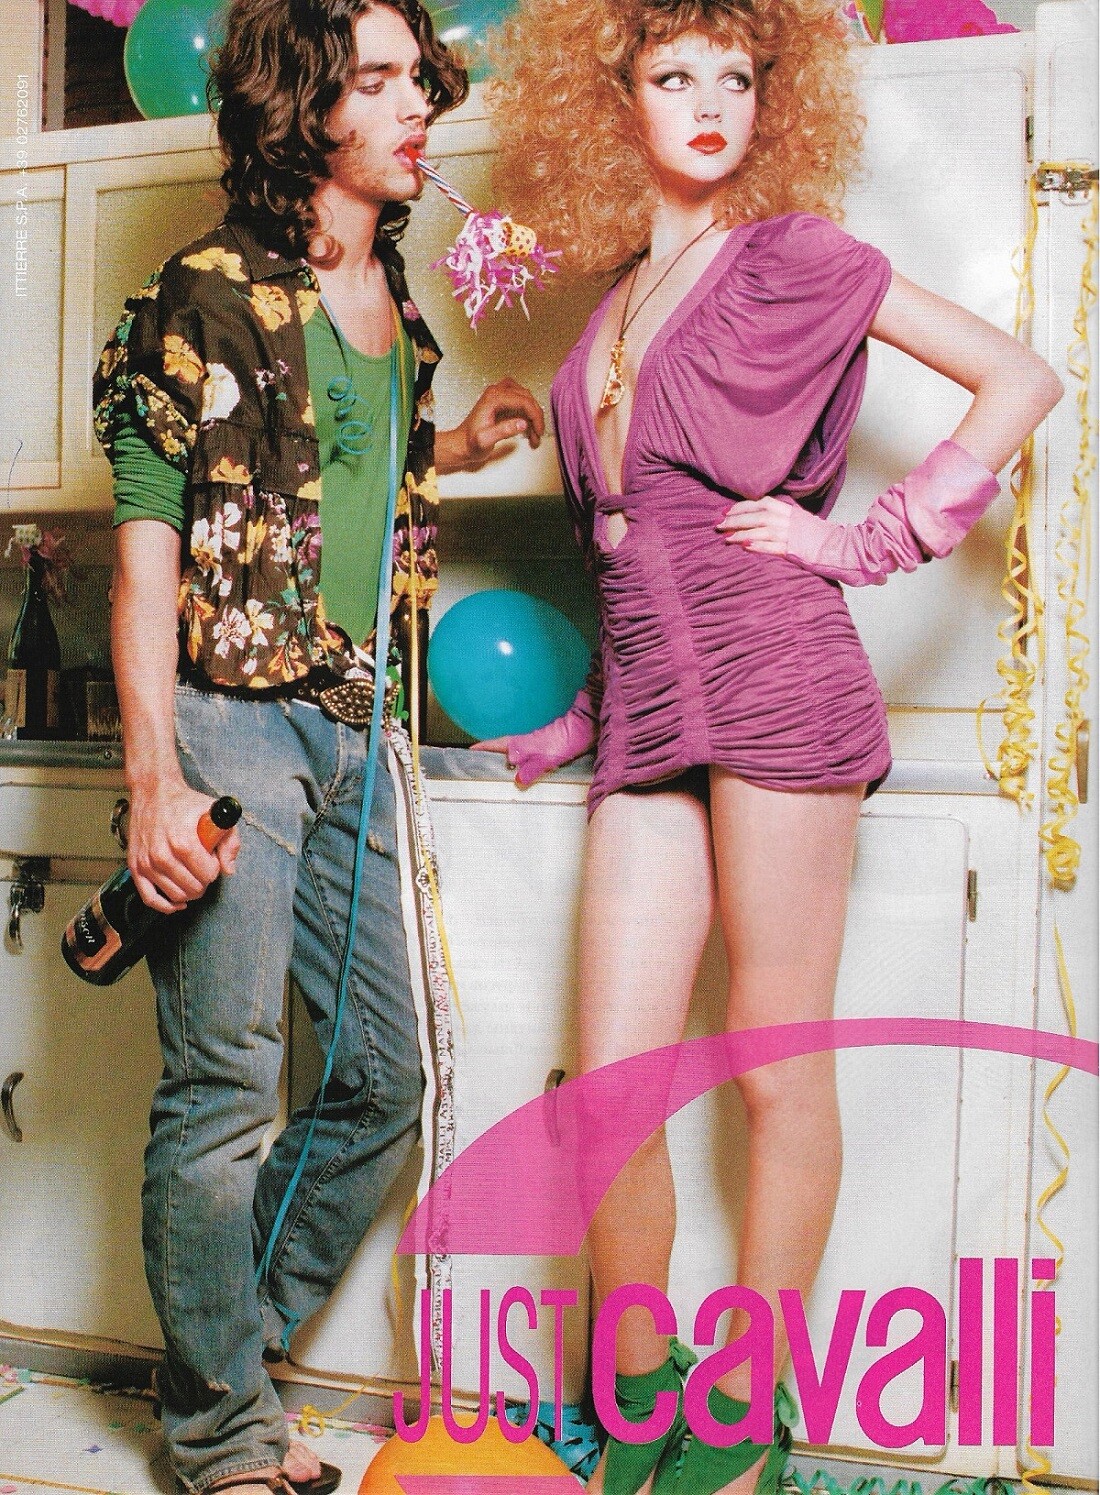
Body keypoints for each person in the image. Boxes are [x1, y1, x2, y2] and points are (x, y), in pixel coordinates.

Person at [480, 3, 1063, 1493]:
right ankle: (641, 1396)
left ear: (771, 102)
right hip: (652, 714)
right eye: (674, 75)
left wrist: (863, 540)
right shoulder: (615, 301)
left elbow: (1021, 378)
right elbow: (633, 549)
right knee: (610, 1091)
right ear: (613, 99)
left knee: (771, 1065)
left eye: (738, 78)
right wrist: (582, 721)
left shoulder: (791, 257)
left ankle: (743, 1422)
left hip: (782, 683)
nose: (711, 103)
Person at [93, 2, 543, 1492]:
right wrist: (154, 777)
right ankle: (225, 1434)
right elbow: (148, 548)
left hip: (358, 722)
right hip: (229, 721)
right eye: (380, 80)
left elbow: (334, 472)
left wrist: (456, 445)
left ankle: (225, 1358)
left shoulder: (391, 296)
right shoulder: (203, 295)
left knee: (378, 1079)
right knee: (225, 1090)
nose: (421, 105)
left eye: (422, 77)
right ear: (305, 108)